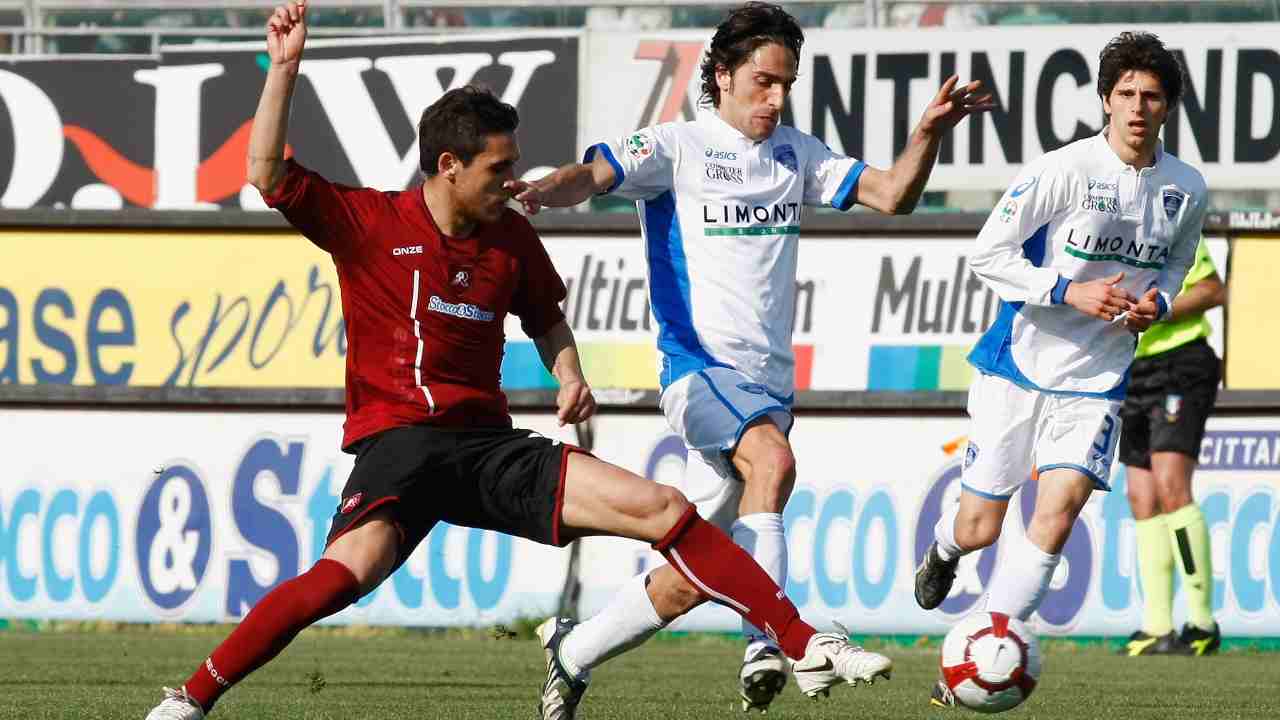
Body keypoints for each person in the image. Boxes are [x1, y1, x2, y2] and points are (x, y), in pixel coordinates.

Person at [143, 3, 889, 719]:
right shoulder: (371, 222)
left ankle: (796, 639)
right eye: (501, 168)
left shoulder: (510, 239)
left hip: (489, 447)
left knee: (667, 511)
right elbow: (269, 173)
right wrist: (284, 69)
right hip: (401, 447)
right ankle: (191, 697)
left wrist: (568, 373)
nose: (512, 181)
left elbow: (547, 319)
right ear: (448, 166)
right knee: (340, 578)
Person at [510, 2, 992, 714]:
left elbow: (892, 195)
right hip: (696, 369)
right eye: (763, 81)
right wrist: (548, 190)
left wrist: (927, 134)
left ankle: (574, 654)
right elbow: (593, 173)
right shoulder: (676, 146)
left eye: (786, 84)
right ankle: (770, 640)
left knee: (700, 566)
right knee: (772, 463)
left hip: (766, 387)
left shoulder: (797, 153)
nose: (775, 97)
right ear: (723, 75)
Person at [912, 31, 1206, 707]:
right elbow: (989, 254)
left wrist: (1156, 303)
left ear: (1167, 108)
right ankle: (943, 549)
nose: (1137, 107)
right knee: (980, 526)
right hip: (1018, 365)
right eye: (1126, 94)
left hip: (1098, 378)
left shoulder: (1186, 188)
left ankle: (982, 654)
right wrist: (1066, 290)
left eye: (1151, 97)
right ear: (1106, 99)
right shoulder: (1063, 170)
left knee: (1060, 509)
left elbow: (1176, 264)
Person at [1119, 237, 1226, 657]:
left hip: (1181, 363)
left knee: (1170, 486)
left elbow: (1212, 288)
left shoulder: (1170, 224)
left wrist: (1154, 312)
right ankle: (1157, 626)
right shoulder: (1099, 232)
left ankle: (1202, 623)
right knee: (1140, 497)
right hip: (1129, 368)